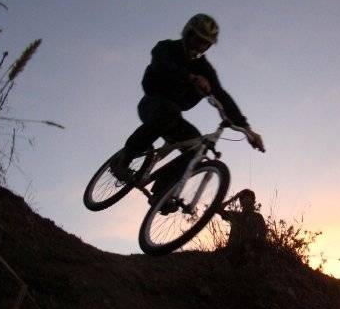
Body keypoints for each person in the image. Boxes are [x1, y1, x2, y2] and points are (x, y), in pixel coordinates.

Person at [110, 14, 265, 183]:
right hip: (152, 103)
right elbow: (162, 64)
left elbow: (222, 96)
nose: (201, 46)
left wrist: (247, 129)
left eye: (206, 44)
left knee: (197, 148)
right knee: (169, 112)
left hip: (174, 117)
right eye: (198, 40)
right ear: (188, 33)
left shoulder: (204, 69)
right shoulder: (167, 48)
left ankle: (163, 191)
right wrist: (190, 77)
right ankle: (123, 160)